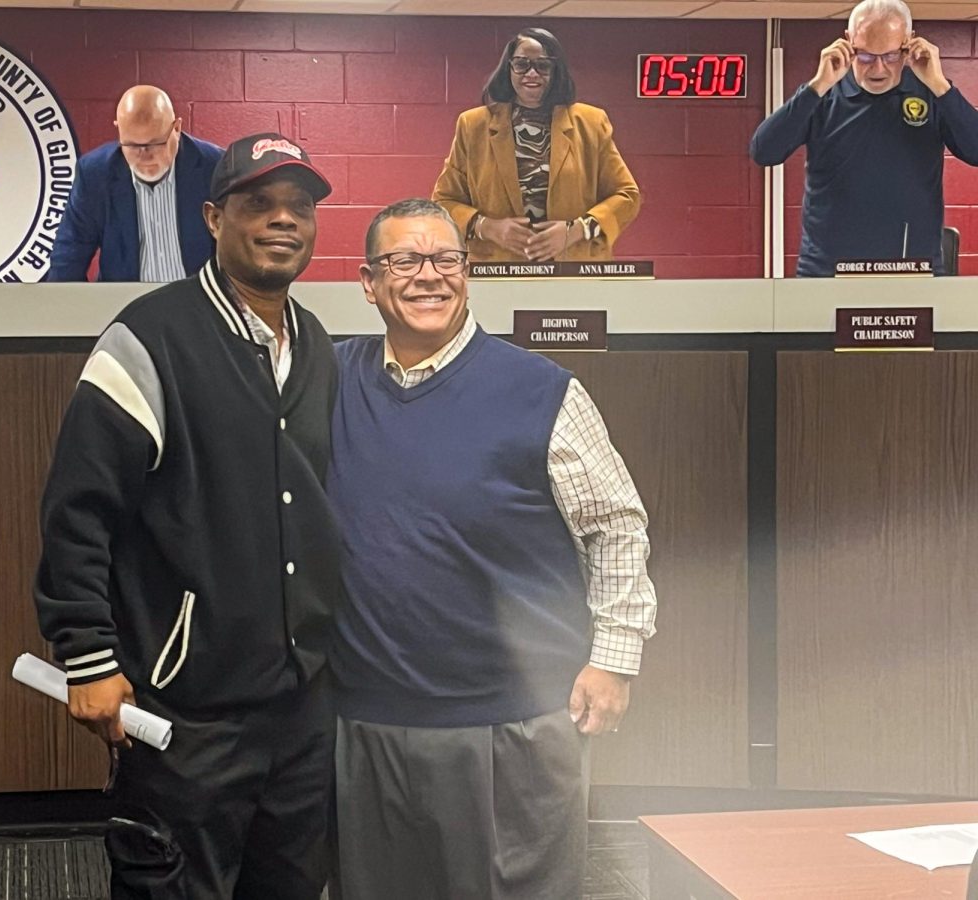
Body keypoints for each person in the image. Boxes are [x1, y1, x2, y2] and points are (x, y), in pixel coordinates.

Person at [34, 133, 339, 899]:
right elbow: (79, 511)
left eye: (298, 206)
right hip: (185, 715)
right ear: (212, 217)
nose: (281, 220)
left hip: (301, 711)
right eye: (257, 203)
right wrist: (88, 655)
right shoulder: (149, 338)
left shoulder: (318, 348)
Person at [328, 198, 658, 900]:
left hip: (515, 729)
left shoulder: (543, 392)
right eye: (404, 261)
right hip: (368, 725)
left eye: (445, 259)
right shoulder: (328, 382)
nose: (428, 276)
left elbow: (616, 525)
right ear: (367, 281)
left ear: (467, 272)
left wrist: (614, 659)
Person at [750, 0, 978, 276]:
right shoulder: (823, 97)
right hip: (826, 273)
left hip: (913, 271)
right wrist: (817, 85)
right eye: (866, 56)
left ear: (909, 44)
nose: (878, 69)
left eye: (891, 56)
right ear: (848, 43)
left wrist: (941, 86)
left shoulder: (932, 94)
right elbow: (764, 152)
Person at [432, 27, 640, 263]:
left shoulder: (591, 123)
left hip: (574, 268)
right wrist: (488, 228)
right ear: (508, 68)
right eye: (521, 64)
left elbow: (627, 196)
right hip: (497, 269)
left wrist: (577, 230)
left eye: (543, 66)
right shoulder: (473, 125)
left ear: (556, 70)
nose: (531, 73)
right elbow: (444, 201)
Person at [46, 85, 223, 282]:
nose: (144, 155)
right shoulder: (95, 174)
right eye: (131, 145)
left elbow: (238, 251)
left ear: (177, 128)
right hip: (125, 303)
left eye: (155, 143)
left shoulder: (215, 167)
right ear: (118, 130)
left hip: (198, 301)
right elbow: (69, 255)